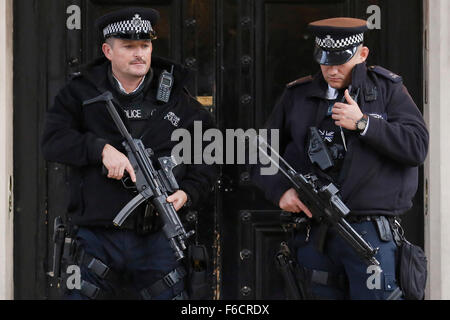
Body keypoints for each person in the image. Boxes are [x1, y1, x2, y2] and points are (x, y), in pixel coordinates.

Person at [41, 7, 217, 300]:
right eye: (129, 46)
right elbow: (53, 141)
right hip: (98, 237)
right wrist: (100, 150)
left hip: (158, 236)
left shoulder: (177, 98)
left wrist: (187, 193)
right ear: (108, 51)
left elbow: (208, 154)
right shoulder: (81, 92)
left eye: (145, 45)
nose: (139, 54)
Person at [251, 17, 428, 299]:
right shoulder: (297, 95)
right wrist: (279, 191)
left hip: (369, 235)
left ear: (362, 54)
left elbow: (417, 146)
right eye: (325, 61)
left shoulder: (388, 90)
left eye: (340, 62)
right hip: (314, 235)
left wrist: (365, 124)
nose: (332, 70)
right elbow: (261, 152)